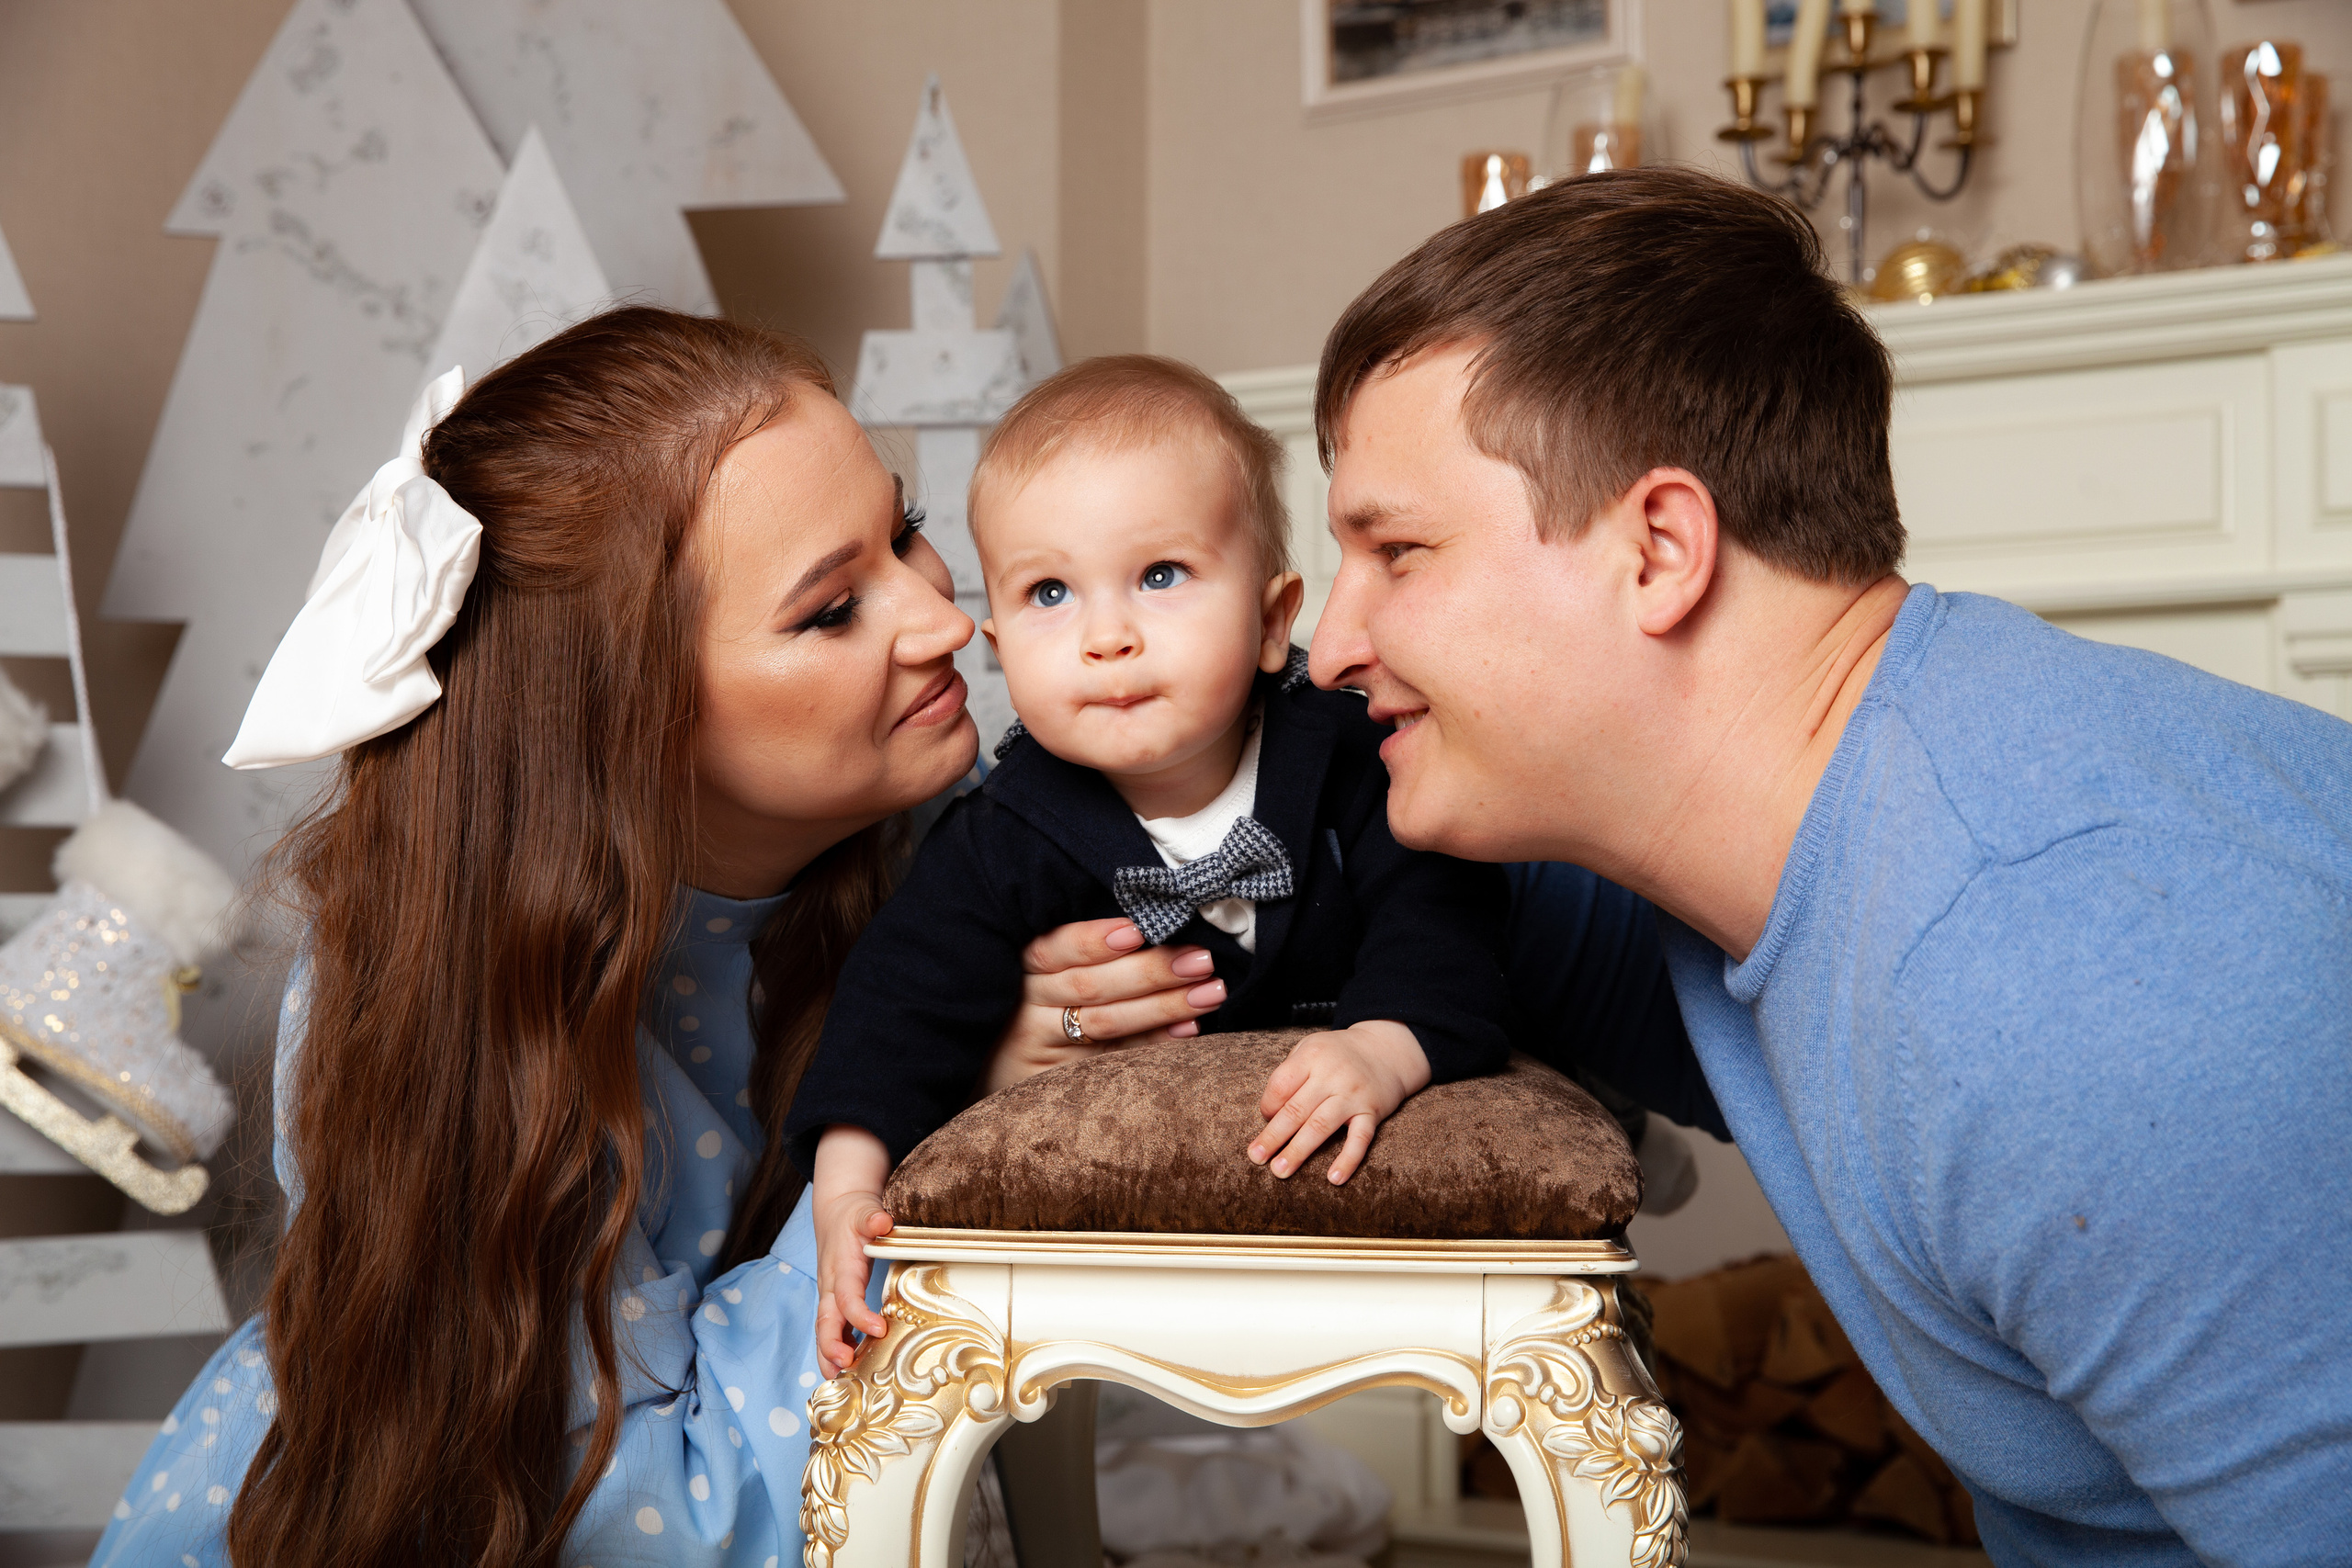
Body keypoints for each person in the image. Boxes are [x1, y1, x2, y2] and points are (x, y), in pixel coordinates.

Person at [1305, 165, 2352, 1565]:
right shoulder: (1784, 845)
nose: (1330, 645)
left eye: (1398, 551)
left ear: (1661, 549)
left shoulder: (2058, 961)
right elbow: (1315, 907)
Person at [88, 310, 1227, 1568]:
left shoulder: (965, 844)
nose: (945, 618)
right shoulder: (438, 1014)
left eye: (904, 528)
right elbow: (654, 1517)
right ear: (629, 724)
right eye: (835, 607)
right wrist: (936, 1105)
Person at [787, 355, 1515, 1373]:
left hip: (1331, 1118)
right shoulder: (1007, 831)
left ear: (1272, 622)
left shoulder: (1350, 760)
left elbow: (1444, 920)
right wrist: (848, 1186)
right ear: (998, 644)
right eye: (1050, 592)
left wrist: (1385, 1047)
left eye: (1159, 576)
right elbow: (897, 1006)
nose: (1107, 637)